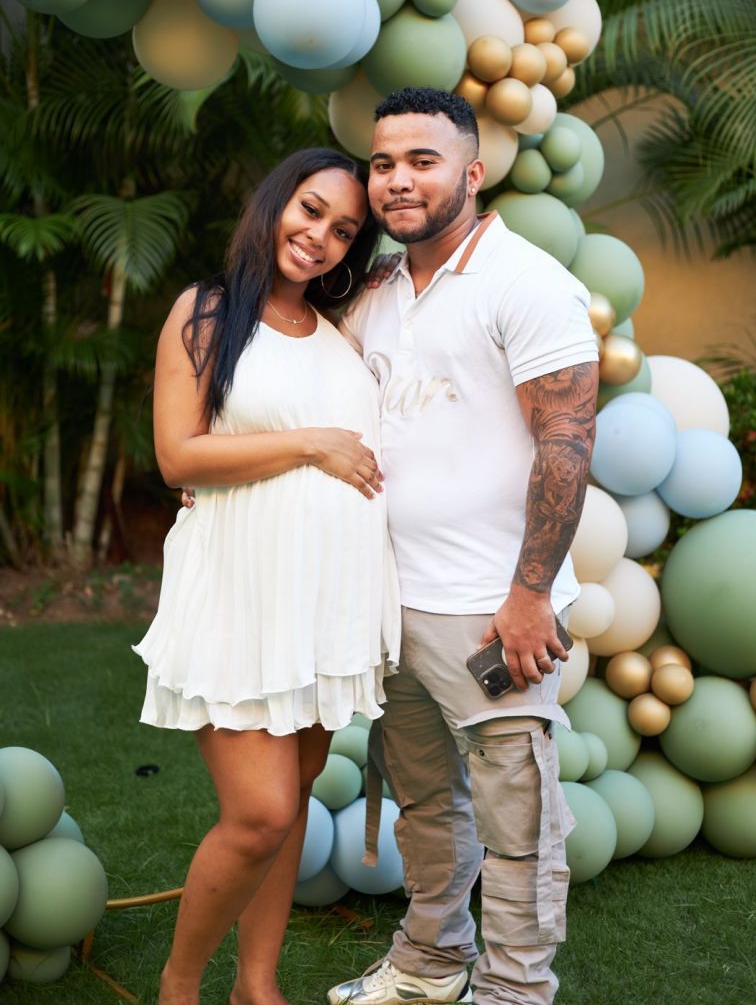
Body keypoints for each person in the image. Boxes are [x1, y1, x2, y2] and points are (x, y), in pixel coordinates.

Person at [327, 87, 599, 1005]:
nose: (398, 180)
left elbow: (567, 441)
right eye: (383, 163)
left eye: (422, 161)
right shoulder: (378, 289)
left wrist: (530, 595)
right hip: (390, 599)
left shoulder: (526, 281)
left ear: (472, 172)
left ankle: (516, 991)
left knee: (517, 817)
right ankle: (430, 962)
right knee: (425, 801)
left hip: (491, 608)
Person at [133, 148, 401, 1005]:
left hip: (323, 609)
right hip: (240, 594)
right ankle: (179, 987)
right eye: (310, 209)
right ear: (275, 200)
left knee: (293, 800)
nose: (320, 236)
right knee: (260, 813)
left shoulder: (340, 327)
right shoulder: (206, 311)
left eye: (344, 230)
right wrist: (312, 443)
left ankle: (257, 983)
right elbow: (179, 454)